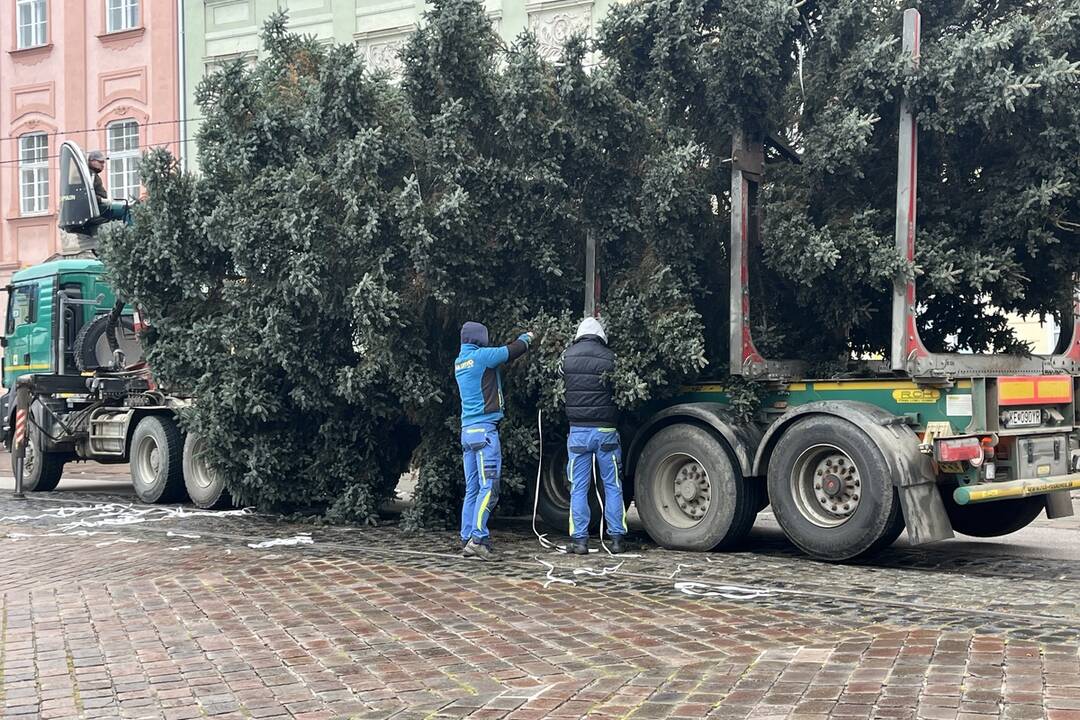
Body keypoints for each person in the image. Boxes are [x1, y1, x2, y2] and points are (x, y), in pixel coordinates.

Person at [455, 321, 534, 560]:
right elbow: (511, 351)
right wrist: (528, 336)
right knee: (490, 487)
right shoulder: (482, 357)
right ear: (480, 338)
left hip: (467, 432)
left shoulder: (460, 362)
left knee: (473, 488)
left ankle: (467, 535)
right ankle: (478, 539)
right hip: (485, 432)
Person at [562, 316, 626, 554]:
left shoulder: (566, 357)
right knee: (612, 485)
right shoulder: (611, 358)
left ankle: (579, 541)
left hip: (577, 431)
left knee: (578, 486)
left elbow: (561, 378)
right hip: (606, 431)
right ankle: (617, 539)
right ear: (601, 336)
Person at [86, 150, 132, 225]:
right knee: (127, 210)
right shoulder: (90, 175)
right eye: (100, 162)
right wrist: (102, 200)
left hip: (100, 208)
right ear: (92, 161)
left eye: (103, 162)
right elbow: (87, 194)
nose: (103, 165)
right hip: (100, 209)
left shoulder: (91, 174)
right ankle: (131, 233)